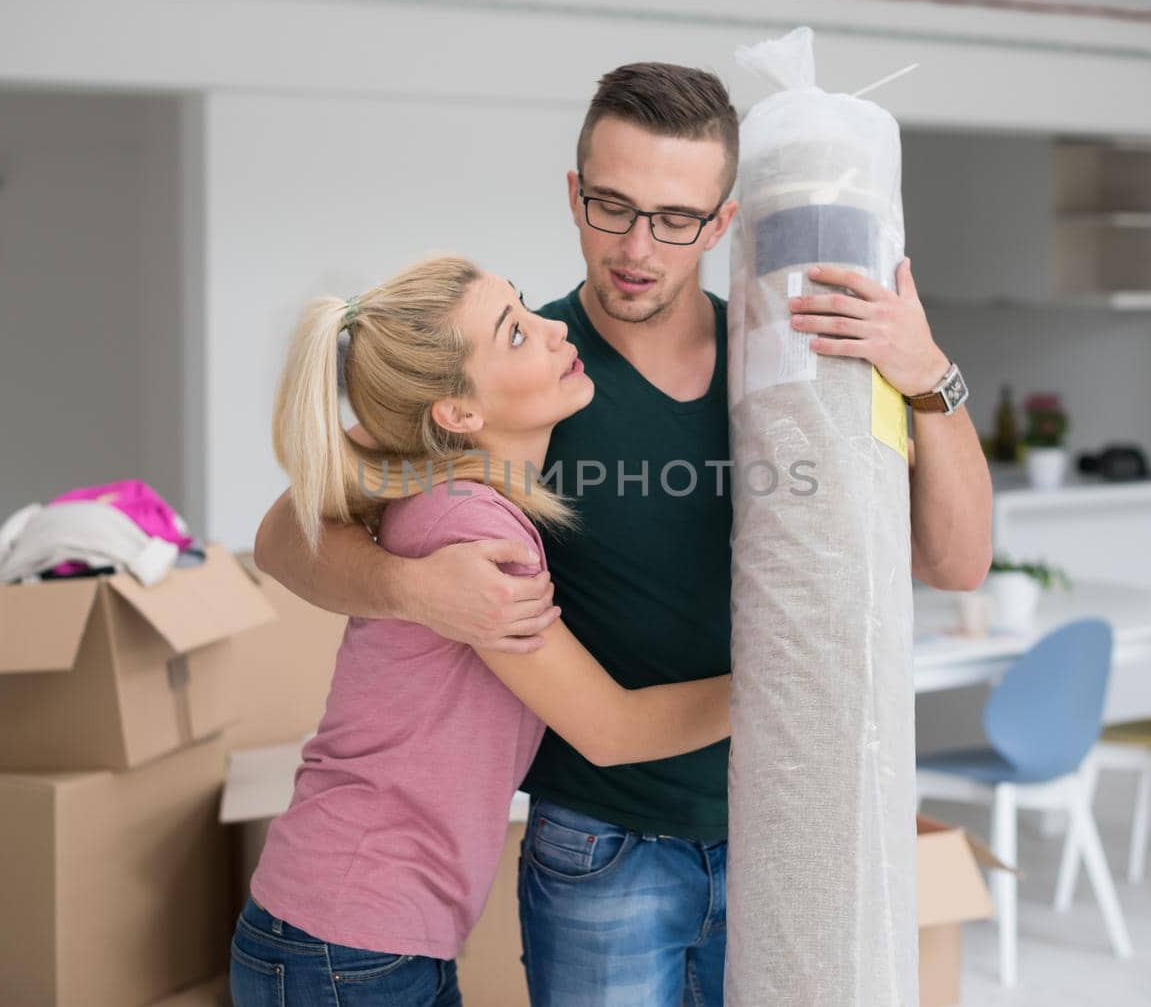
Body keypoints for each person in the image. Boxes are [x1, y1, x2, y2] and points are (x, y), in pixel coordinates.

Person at [254, 63, 993, 1005]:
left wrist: (930, 374)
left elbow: (956, 561)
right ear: (575, 195)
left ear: (724, 222)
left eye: (676, 218)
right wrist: (415, 588)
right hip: (602, 848)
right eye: (613, 206)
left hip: (783, 824)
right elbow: (286, 532)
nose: (638, 247)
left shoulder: (793, 364)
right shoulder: (523, 379)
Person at [231, 256, 733, 1007]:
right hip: (347, 941)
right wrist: (785, 680)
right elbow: (611, 729)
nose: (557, 328)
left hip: (353, 934)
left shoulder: (446, 490)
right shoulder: (472, 533)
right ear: (457, 412)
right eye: (518, 335)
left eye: (527, 312)